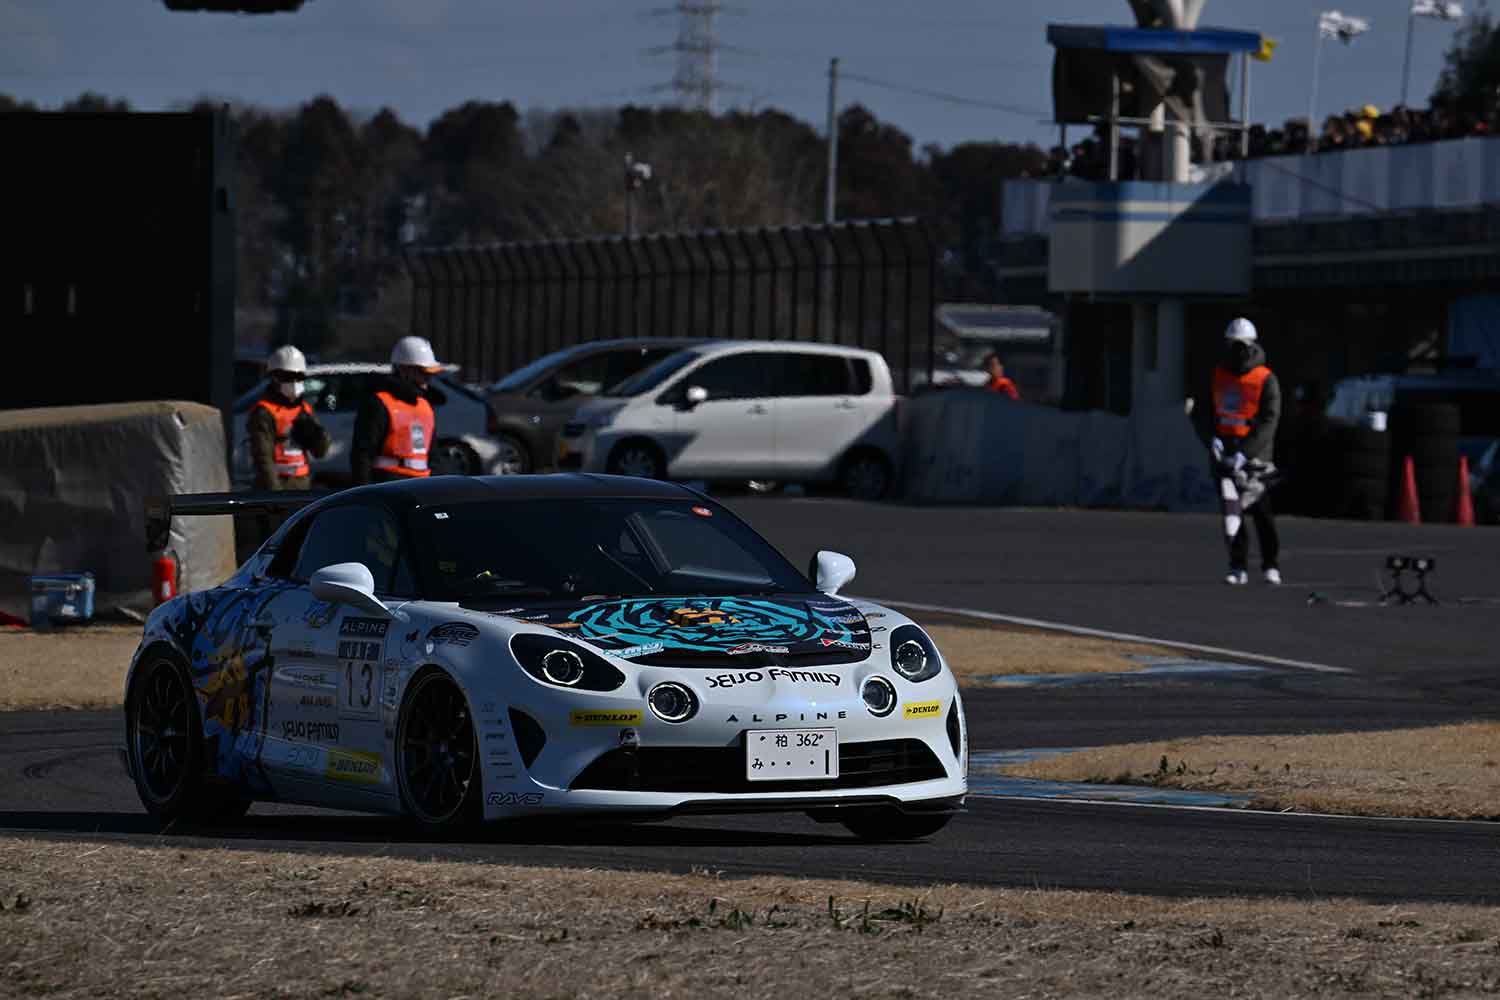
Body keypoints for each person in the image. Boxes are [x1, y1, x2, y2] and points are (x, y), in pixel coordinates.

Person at [1210, 318, 1282, 586]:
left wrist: (1246, 453)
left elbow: (1269, 420)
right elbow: (1205, 411)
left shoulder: (1265, 378)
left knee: (1262, 514)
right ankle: (1237, 566)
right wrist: (1212, 439)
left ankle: (1270, 564)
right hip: (1225, 454)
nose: (1237, 351)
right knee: (1232, 513)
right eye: (1232, 345)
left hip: (1256, 459)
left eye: (1241, 345)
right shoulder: (1218, 374)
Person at [351, 335, 447, 484]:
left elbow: (434, 456)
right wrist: (365, 492)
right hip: (388, 486)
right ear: (404, 370)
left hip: (422, 485)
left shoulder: (425, 406)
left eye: (430, 373)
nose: (428, 378)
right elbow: (362, 454)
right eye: (423, 372)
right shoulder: (379, 403)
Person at [248, 344, 330, 492]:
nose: (295, 383)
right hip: (276, 486)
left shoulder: (304, 409)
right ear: (275, 378)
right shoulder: (264, 412)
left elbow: (320, 452)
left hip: (302, 485)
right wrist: (276, 494)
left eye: (299, 377)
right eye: (288, 378)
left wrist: (318, 435)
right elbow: (263, 458)